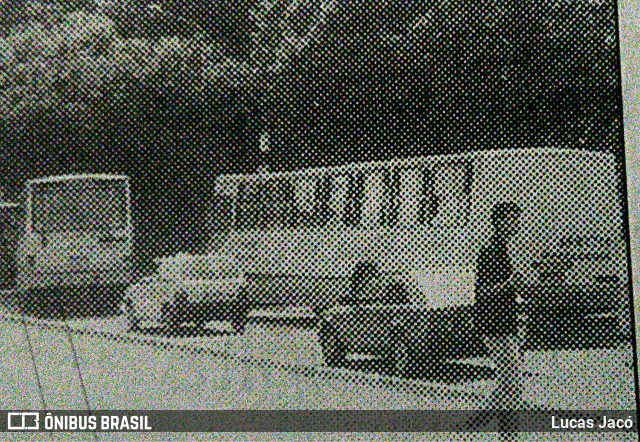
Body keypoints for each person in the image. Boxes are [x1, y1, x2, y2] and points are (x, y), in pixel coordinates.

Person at [475, 202, 529, 434]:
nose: (516, 224)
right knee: (512, 385)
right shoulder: (490, 251)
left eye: (517, 219)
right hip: (495, 325)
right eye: (511, 219)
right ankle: (507, 434)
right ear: (498, 222)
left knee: (509, 383)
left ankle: (472, 426)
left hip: (506, 323)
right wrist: (511, 283)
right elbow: (483, 291)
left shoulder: (504, 249)